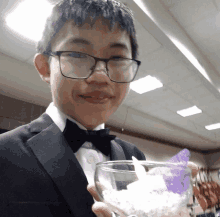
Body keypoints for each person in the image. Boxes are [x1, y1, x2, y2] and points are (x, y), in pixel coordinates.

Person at [0, 0, 198, 216]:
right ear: (45, 67)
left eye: (118, 58)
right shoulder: (4, 153)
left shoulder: (134, 156)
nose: (101, 76)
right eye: (77, 55)